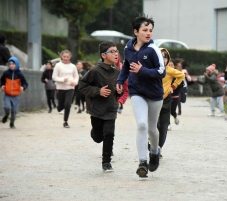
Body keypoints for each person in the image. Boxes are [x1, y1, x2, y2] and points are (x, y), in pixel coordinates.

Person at [116, 15, 166, 178]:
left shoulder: (154, 49)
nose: (148, 33)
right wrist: (120, 79)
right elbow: (126, 65)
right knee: (142, 125)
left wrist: (142, 70)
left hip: (155, 94)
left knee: (152, 129)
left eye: (150, 30)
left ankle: (154, 152)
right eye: (145, 30)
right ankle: (142, 161)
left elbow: (161, 72)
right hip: (137, 91)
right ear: (136, 31)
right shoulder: (128, 48)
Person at [79, 41, 122, 172]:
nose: (116, 54)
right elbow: (82, 86)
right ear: (104, 55)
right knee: (98, 138)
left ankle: (106, 162)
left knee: (109, 134)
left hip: (111, 108)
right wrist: (98, 91)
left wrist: (119, 92)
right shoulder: (94, 71)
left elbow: (123, 89)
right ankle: (94, 133)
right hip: (97, 109)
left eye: (117, 51)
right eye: (112, 51)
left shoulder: (118, 72)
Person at [157, 48, 184, 157]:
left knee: (163, 126)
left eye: (165, 57)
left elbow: (182, 76)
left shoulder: (169, 70)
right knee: (154, 125)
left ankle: (159, 148)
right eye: (161, 56)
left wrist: (173, 86)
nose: (163, 59)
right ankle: (152, 145)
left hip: (166, 100)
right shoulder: (151, 69)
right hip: (153, 100)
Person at [52, 50, 79, 128]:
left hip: (70, 87)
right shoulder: (58, 65)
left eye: (67, 57)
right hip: (60, 88)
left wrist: (75, 82)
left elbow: (76, 76)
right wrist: (62, 80)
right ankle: (59, 107)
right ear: (61, 57)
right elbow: (54, 77)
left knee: (67, 104)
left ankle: (65, 121)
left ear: (70, 57)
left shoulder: (73, 66)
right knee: (60, 106)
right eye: (64, 56)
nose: (66, 58)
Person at [1, 57, 28, 128]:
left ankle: (12, 123)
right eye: (10, 64)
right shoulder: (6, 73)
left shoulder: (19, 74)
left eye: (13, 64)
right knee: (7, 107)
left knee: (14, 111)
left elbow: (25, 83)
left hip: (16, 95)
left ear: (16, 64)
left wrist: (23, 87)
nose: (11, 65)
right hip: (7, 94)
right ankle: (6, 115)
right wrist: (2, 85)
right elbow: (1, 80)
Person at [169, 59, 184, 130]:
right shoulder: (165, 73)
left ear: (174, 66)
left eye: (171, 65)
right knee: (166, 110)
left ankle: (175, 116)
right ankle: (168, 124)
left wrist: (174, 87)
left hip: (174, 95)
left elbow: (181, 83)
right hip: (166, 95)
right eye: (169, 65)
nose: (170, 66)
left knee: (172, 110)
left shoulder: (177, 73)